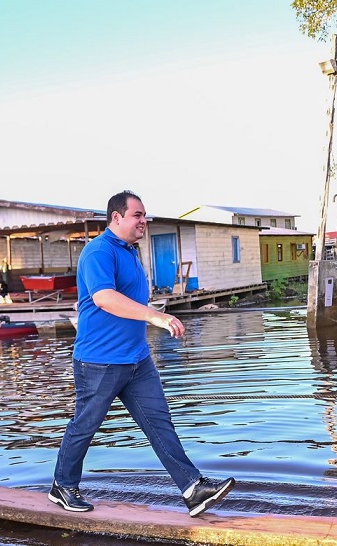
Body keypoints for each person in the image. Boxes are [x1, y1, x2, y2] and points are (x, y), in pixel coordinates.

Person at [48, 190, 234, 517]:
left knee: (160, 424)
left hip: (137, 359)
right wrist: (156, 316)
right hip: (99, 361)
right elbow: (105, 298)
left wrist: (151, 315)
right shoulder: (98, 251)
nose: (143, 221)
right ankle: (63, 486)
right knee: (85, 425)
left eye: (144, 215)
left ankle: (193, 488)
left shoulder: (131, 252)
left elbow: (124, 301)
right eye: (137, 215)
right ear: (116, 217)